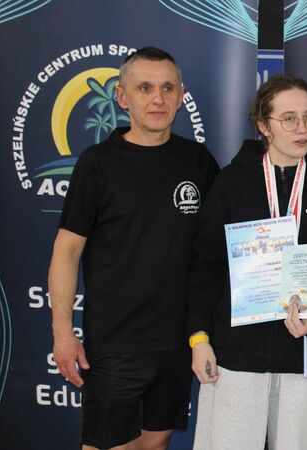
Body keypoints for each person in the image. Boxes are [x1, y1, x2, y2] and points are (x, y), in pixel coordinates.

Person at [48, 47, 219, 450]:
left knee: (154, 445)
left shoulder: (197, 160)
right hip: (116, 343)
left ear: (181, 96)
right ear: (123, 97)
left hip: (177, 343)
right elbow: (66, 251)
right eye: (145, 88)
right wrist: (62, 333)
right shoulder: (98, 163)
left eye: (167, 88)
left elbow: (223, 240)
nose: (157, 98)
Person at [187, 74, 307, 450]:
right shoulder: (232, 183)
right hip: (237, 353)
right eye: (289, 118)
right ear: (264, 125)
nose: (302, 128)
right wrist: (199, 338)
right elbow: (206, 266)